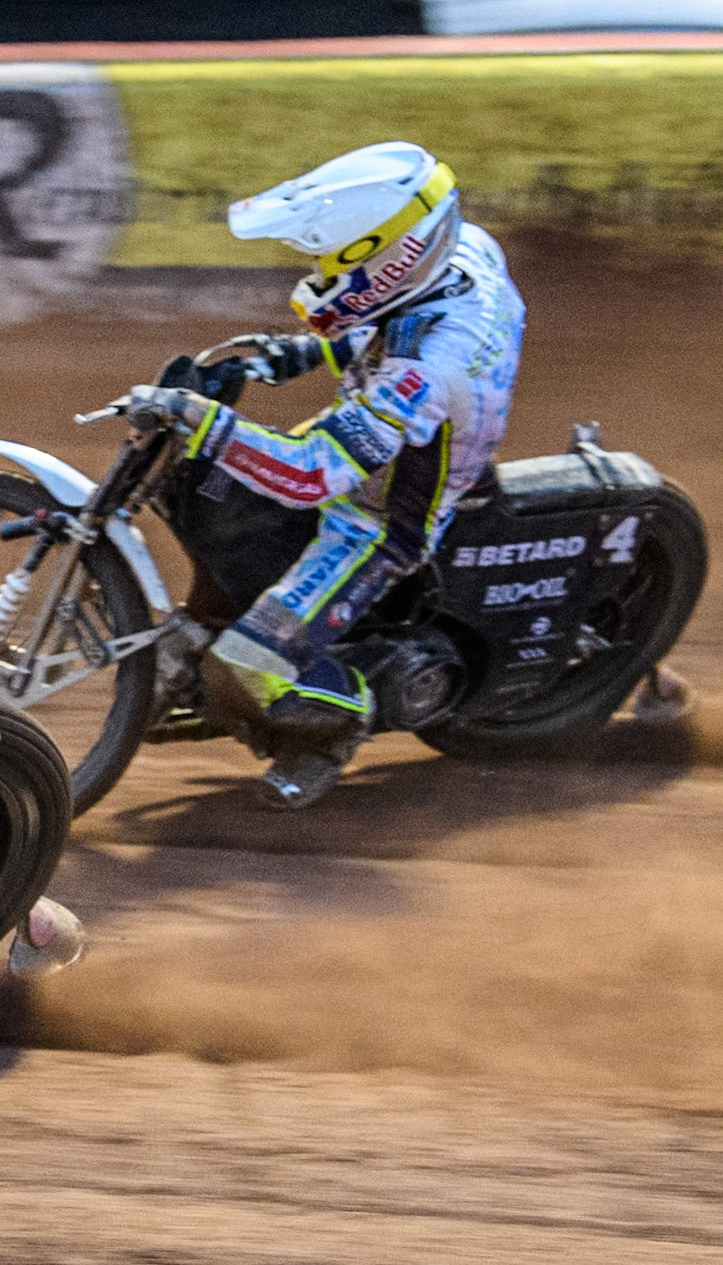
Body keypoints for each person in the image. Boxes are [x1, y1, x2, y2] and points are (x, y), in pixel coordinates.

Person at [123, 141, 526, 809]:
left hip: (377, 521)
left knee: (239, 671)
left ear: (386, 258)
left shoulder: (428, 370)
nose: (316, 271)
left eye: (335, 261)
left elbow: (313, 476)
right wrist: (292, 353)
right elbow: (380, 319)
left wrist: (201, 417)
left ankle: (337, 725)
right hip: (373, 450)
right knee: (219, 512)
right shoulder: (455, 251)